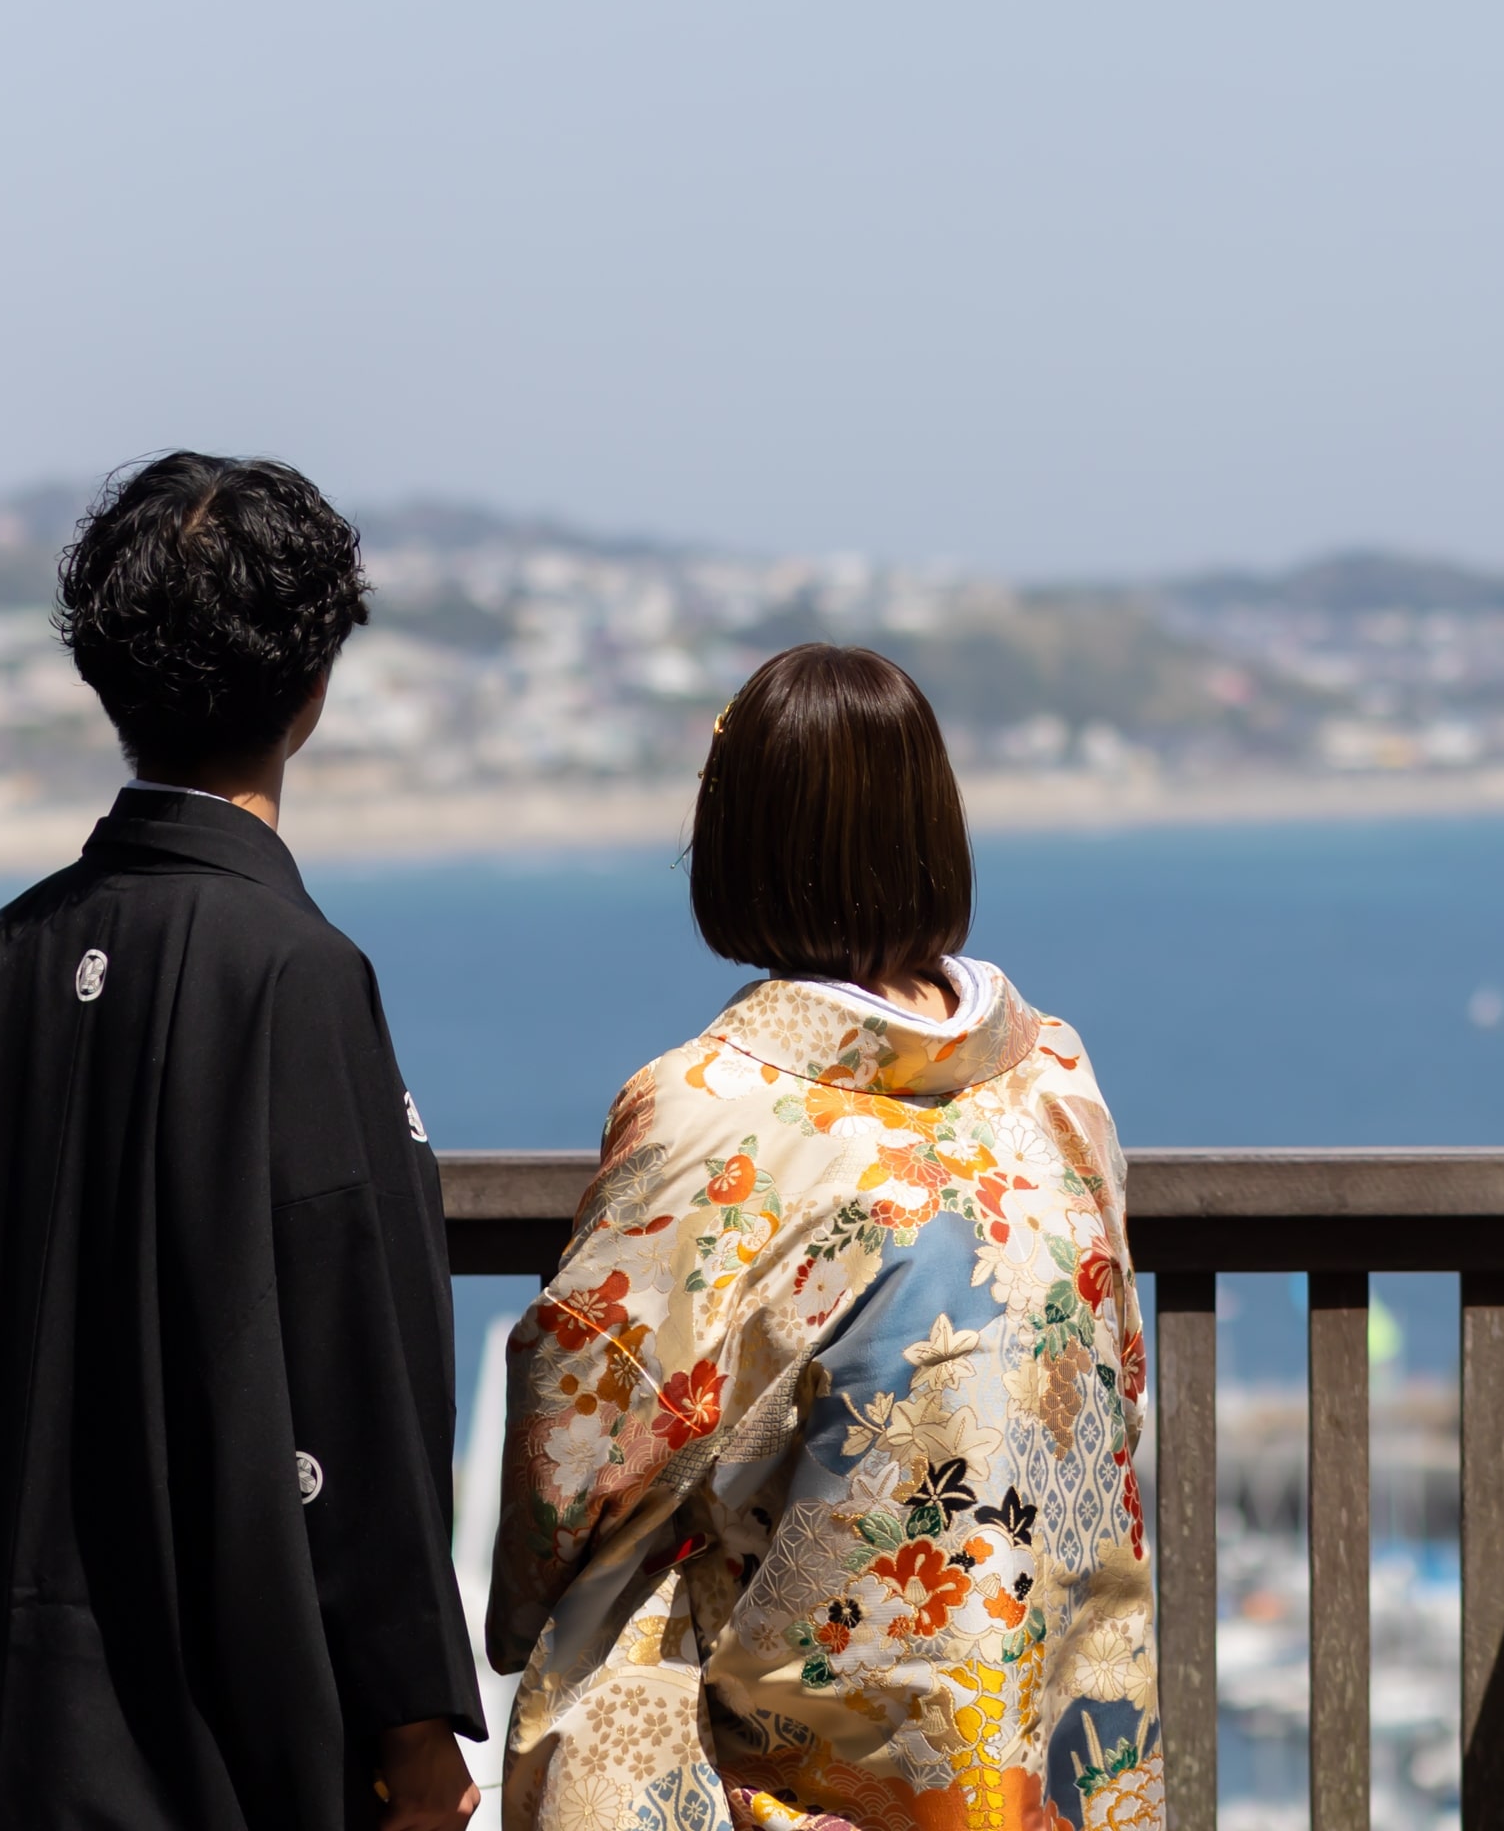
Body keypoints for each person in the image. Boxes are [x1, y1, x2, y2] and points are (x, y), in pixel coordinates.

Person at [0, 453, 484, 1830]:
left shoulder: (4, 957)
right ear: (312, 694)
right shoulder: (295, 972)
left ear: (106, 681)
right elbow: (347, 1368)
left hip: (1, 1706)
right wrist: (413, 1723)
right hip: (213, 1727)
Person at [487, 645, 1161, 1831]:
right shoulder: (1055, 1076)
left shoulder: (711, 1109)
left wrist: (517, 1605)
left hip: (787, 1777)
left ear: (740, 845)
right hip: (1019, 1744)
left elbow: (583, 1434)